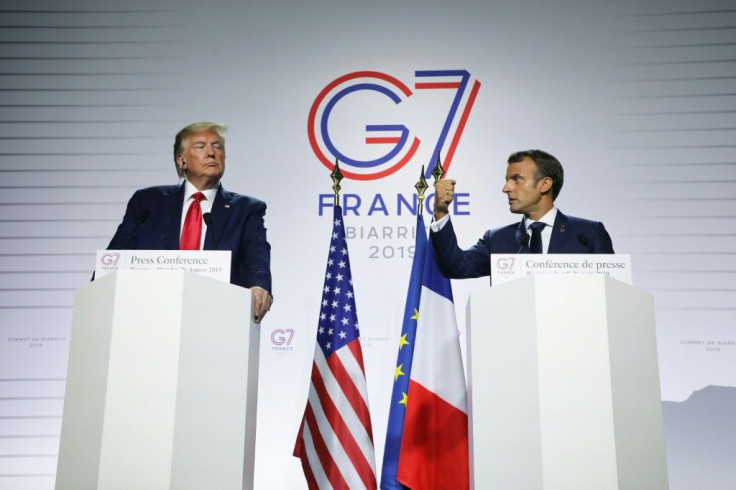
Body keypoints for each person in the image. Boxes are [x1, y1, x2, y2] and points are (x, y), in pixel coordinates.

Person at [106, 122, 273, 322]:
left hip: (216, 317)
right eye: (201, 147)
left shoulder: (246, 209)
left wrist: (259, 285)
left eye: (217, 146)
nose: (211, 153)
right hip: (149, 315)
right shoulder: (148, 202)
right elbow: (115, 257)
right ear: (181, 160)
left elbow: (257, 258)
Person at [430, 149, 614, 279]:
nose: (506, 188)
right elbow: (455, 267)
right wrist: (440, 211)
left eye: (517, 179)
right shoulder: (497, 239)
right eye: (507, 180)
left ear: (545, 184)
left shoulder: (587, 234)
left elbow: (613, 292)